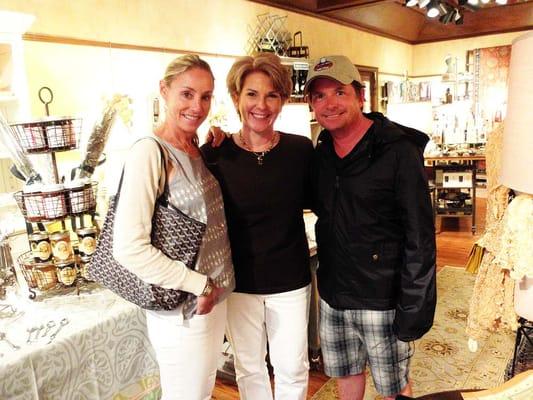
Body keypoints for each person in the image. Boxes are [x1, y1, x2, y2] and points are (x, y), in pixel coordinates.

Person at [304, 55, 436, 400]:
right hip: (334, 294)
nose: (329, 104)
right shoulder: (320, 155)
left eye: (339, 92)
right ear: (312, 104)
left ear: (360, 97)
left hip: (383, 297)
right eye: (319, 96)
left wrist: (414, 307)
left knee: (393, 387)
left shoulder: (398, 150)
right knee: (346, 377)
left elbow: (420, 237)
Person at [112, 54, 235, 400]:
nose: (198, 106)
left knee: (202, 391)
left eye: (206, 96)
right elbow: (129, 247)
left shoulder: (194, 146)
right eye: (187, 94)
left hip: (209, 299)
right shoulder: (149, 153)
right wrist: (198, 285)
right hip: (181, 308)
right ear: (164, 91)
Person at [201, 53, 314, 400]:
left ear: (281, 100)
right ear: (236, 98)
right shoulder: (216, 154)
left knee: (293, 367)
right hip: (239, 283)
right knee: (249, 368)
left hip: (290, 279)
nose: (261, 105)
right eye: (252, 94)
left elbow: (321, 202)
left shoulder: (300, 149)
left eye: (271, 95)